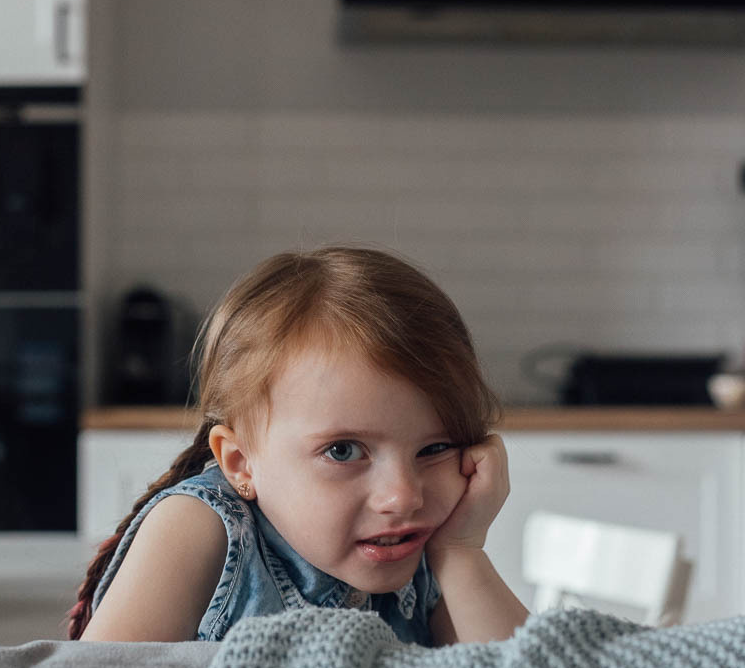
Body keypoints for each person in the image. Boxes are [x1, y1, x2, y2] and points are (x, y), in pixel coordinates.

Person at [69, 247, 528, 646]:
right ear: (241, 462)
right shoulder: (199, 529)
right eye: (344, 451)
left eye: (435, 448)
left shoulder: (429, 555)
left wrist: (462, 551)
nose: (404, 497)